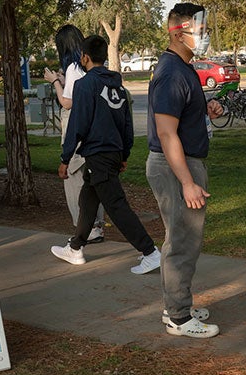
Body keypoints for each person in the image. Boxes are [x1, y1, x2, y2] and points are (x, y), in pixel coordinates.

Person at [49, 35, 162, 272]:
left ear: (85, 57)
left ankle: (150, 252)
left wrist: (65, 158)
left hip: (98, 153)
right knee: (88, 199)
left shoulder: (85, 84)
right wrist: (124, 154)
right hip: (111, 152)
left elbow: (77, 124)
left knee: (116, 205)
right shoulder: (118, 86)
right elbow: (126, 124)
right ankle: (76, 247)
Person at [147, 3, 225, 339]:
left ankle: (176, 305)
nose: (204, 36)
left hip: (181, 164)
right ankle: (178, 317)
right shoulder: (172, 72)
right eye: (200, 30)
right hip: (176, 166)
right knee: (181, 241)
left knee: (183, 240)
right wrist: (188, 182)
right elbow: (166, 133)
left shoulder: (182, 68)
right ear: (179, 31)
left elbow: (178, 116)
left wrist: (204, 108)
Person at [43, 24, 106, 246]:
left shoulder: (72, 68)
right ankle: (96, 226)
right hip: (95, 127)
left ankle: (84, 229)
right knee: (92, 179)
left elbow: (67, 102)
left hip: (75, 125)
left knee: (74, 177)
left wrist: (54, 83)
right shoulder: (89, 66)